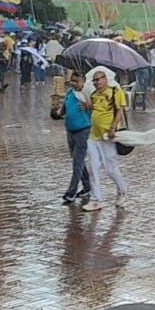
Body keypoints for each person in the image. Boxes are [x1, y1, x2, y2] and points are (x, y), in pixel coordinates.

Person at [82, 70, 128, 212]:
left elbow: (119, 111)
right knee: (93, 167)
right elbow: (94, 111)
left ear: (105, 79)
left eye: (98, 79)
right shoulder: (93, 95)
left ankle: (122, 190)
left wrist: (113, 127)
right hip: (93, 136)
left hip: (108, 136)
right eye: (94, 80)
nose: (96, 83)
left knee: (110, 168)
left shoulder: (115, 92)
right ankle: (96, 199)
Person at [50, 71, 92, 206]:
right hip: (70, 131)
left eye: (77, 81)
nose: (74, 83)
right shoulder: (69, 93)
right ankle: (87, 186)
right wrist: (55, 111)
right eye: (72, 81)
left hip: (83, 131)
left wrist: (89, 106)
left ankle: (71, 192)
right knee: (77, 161)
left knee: (77, 162)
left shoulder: (87, 95)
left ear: (83, 81)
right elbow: (62, 112)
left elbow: (98, 109)